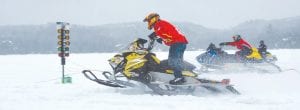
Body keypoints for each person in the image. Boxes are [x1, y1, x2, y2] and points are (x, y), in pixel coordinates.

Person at [143, 13, 188, 85]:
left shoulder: (159, 25)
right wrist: (157, 38)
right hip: (181, 43)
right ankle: (184, 76)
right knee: (177, 61)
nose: (148, 23)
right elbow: (165, 34)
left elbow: (165, 35)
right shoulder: (161, 25)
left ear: (153, 19)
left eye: (149, 21)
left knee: (173, 61)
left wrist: (159, 38)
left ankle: (179, 77)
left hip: (177, 43)